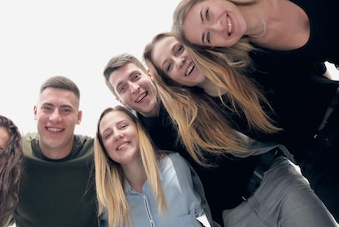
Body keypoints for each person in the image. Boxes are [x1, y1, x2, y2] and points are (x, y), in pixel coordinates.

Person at [103, 52, 337, 225]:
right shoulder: (140, 140)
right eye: (122, 88)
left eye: (135, 77)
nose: (133, 88)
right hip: (234, 217)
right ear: (119, 99)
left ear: (149, 74)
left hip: (274, 182)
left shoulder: (187, 91)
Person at [173, 0, 339, 71]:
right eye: (208, 37)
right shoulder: (262, 62)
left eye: (207, 14)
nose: (217, 26)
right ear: (216, 47)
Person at [95, 105, 213, 226]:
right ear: (104, 149)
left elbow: (203, 214)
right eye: (108, 135)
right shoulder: (106, 199)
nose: (117, 135)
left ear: (138, 129)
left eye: (123, 126)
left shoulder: (175, 165)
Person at [14, 75, 98, 226]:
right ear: (35, 111)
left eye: (66, 110)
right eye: (47, 108)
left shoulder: (97, 153)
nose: (55, 118)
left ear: (78, 117)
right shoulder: (16, 152)